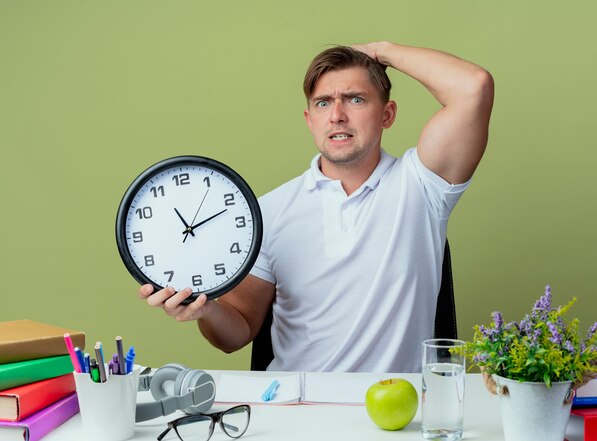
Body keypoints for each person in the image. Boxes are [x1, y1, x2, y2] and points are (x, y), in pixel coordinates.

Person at [138, 41, 494, 372]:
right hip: (297, 407)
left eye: (355, 99)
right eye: (323, 103)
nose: (337, 115)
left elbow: (474, 87)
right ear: (310, 120)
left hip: (398, 411)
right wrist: (206, 311)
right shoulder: (268, 211)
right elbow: (238, 331)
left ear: (387, 114)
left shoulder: (422, 186)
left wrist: (380, 51)